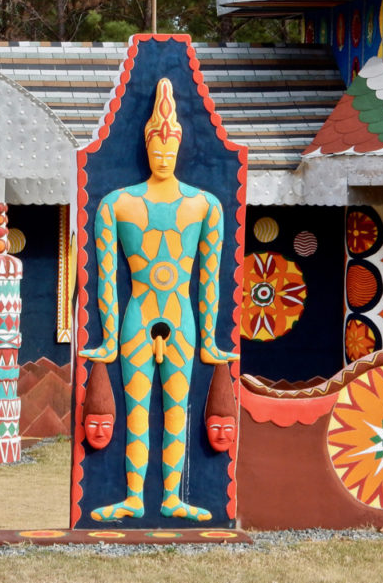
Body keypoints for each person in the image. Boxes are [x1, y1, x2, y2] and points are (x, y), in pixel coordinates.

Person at [80, 77, 237, 522]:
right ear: (147, 147)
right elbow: (105, 278)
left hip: (180, 316)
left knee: (176, 409)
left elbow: (211, 279)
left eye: (170, 149)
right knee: (136, 409)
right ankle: (134, 496)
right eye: (157, 148)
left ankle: (171, 497)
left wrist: (209, 338)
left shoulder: (206, 205)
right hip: (138, 315)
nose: (163, 155)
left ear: (179, 146)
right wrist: (110, 336)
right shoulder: (116, 203)